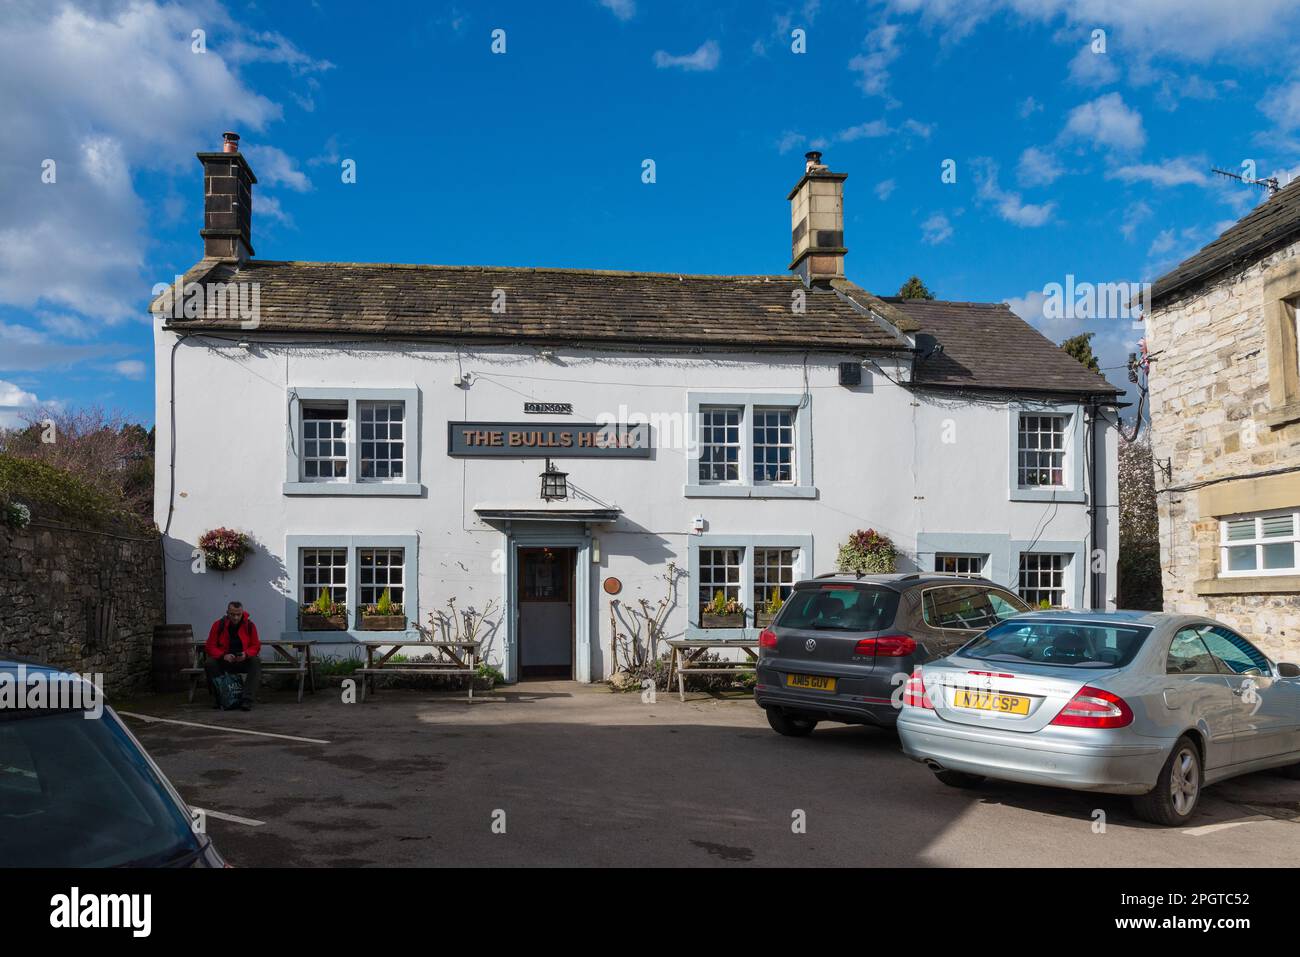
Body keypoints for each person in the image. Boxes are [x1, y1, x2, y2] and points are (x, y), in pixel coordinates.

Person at [204, 601, 262, 710]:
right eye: (232, 614)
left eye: (238, 614)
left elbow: (256, 645)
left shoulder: (249, 625)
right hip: (225, 660)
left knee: (255, 662)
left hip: (242, 660)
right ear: (227, 613)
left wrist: (246, 654)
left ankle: (246, 700)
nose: (235, 617)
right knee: (210, 663)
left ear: (242, 612)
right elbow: (210, 646)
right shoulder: (218, 625)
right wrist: (223, 655)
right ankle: (220, 698)